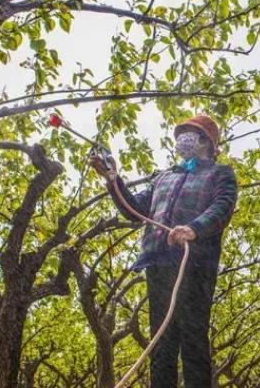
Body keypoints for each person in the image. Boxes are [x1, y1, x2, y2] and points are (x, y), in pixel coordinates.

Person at [90, 115, 238, 388]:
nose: (184, 138)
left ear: (208, 142)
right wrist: (113, 179)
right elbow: (133, 208)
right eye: (182, 133)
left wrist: (194, 229)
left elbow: (223, 207)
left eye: (192, 133)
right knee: (161, 341)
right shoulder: (164, 177)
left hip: (193, 264)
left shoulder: (220, 174)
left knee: (193, 339)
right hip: (158, 263)